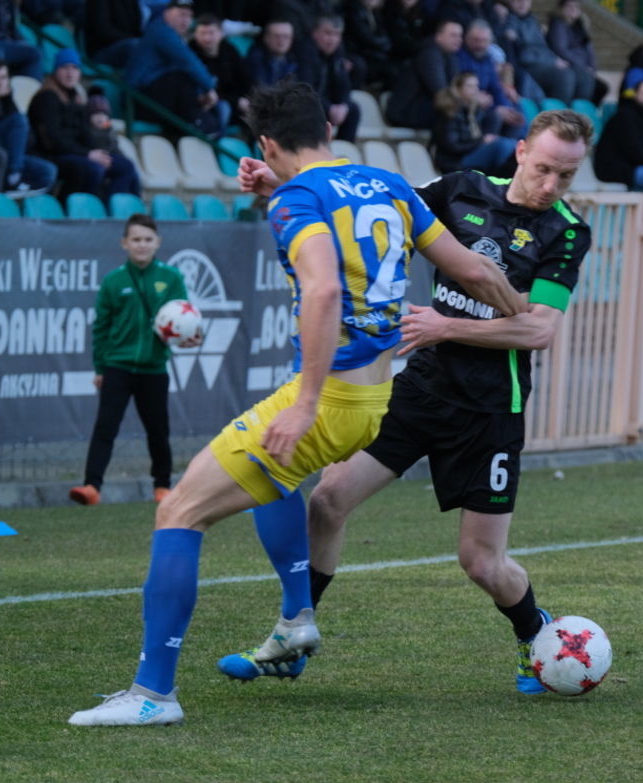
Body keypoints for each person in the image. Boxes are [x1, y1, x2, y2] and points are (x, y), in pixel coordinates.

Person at [67, 79, 525, 726]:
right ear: (330, 133)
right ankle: (296, 615)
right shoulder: (387, 183)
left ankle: (152, 694)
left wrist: (305, 402)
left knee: (180, 514)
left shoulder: (296, 200)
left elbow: (323, 291)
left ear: (267, 143)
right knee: (272, 476)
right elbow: (474, 270)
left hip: (331, 396)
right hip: (374, 396)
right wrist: (520, 314)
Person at [214, 109, 594, 697]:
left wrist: (447, 327)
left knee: (481, 564)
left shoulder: (566, 232)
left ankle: (534, 632)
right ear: (520, 151)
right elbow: (367, 206)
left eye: (565, 177)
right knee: (329, 500)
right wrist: (281, 183)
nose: (551, 186)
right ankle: (294, 635)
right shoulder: (460, 190)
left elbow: (538, 329)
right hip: (418, 389)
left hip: (490, 410)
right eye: (544, 169)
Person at [68, 215, 198, 508]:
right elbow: (101, 328)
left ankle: (162, 486)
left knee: (158, 429)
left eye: (148, 240)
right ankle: (91, 486)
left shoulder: (171, 278)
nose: (142, 245)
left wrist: (191, 336)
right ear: (124, 243)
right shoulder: (114, 281)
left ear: (158, 243)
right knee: (106, 427)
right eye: (136, 240)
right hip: (118, 366)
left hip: (154, 368)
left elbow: (185, 318)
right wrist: (100, 368)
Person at [28, 49, 142, 200]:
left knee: (125, 166)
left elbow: (84, 133)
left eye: (74, 68)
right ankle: (77, 210)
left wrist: (99, 152)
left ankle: (113, 210)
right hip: (51, 155)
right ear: (56, 71)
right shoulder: (46, 97)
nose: (70, 73)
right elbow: (53, 140)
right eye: (65, 68)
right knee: (93, 169)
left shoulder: (76, 98)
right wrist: (88, 154)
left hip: (77, 153)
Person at [125, 0, 222, 137]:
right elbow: (188, 62)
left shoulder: (173, 34)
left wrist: (202, 93)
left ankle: (199, 125)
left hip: (155, 98)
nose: (186, 21)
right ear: (167, 14)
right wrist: (209, 88)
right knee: (179, 78)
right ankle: (195, 124)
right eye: (182, 15)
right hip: (138, 101)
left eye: (189, 16)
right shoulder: (161, 31)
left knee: (215, 107)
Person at [0, 59, 57, 195]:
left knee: (48, 170)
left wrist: (7, 99)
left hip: (8, 156)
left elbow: (27, 139)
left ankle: (13, 181)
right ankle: (14, 177)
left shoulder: (5, 100)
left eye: (3, 78)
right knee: (18, 120)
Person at [432, 70, 516, 174]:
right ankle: (499, 183)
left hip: (469, 154)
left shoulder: (473, 110)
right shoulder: (450, 111)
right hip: (454, 162)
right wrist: (482, 141)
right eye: (469, 86)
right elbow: (452, 147)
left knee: (512, 143)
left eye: (476, 86)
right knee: (502, 145)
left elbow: (491, 122)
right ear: (458, 90)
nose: (475, 90)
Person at [386, 18, 463, 129]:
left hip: (421, 109)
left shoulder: (450, 55)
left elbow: (455, 85)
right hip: (406, 111)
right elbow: (440, 90)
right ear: (439, 35)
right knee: (453, 115)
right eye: (453, 35)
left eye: (460, 36)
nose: (458, 40)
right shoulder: (429, 54)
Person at [592, 77, 643, 190]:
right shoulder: (625, 116)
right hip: (617, 170)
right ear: (635, 94)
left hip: (636, 167)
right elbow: (635, 151)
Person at [297, 15, 361, 142]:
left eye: (337, 34)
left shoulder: (337, 53)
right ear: (314, 33)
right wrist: (329, 108)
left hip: (327, 106)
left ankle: (345, 152)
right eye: (328, 33)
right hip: (308, 105)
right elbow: (306, 88)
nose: (332, 39)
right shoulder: (303, 51)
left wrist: (343, 106)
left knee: (353, 109)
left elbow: (345, 85)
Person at [458, 18, 525, 136]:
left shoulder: (487, 59)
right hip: (470, 106)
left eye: (484, 41)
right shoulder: (458, 57)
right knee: (496, 116)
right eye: (476, 40)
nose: (480, 45)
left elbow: (496, 88)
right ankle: (491, 150)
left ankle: (517, 150)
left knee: (516, 113)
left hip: (488, 103)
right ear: (466, 38)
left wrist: (505, 107)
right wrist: (496, 109)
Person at [500, 0, 577, 103]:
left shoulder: (533, 21)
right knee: (564, 76)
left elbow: (542, 47)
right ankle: (557, 115)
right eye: (518, 0)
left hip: (542, 61)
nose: (522, 3)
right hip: (528, 66)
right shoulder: (508, 21)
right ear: (511, 2)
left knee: (579, 76)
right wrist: (552, 61)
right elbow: (525, 54)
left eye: (526, 1)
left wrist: (555, 59)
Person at [190, 12, 252, 133]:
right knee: (224, 108)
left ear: (221, 34)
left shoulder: (229, 50)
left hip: (233, 99)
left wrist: (246, 100)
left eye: (211, 33)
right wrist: (236, 101)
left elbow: (244, 79)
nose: (207, 38)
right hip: (206, 103)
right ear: (195, 35)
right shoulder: (191, 52)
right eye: (202, 33)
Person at [546, 0, 606, 105]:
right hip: (569, 66)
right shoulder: (558, 24)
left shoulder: (580, 26)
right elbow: (561, 50)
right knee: (585, 80)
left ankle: (586, 112)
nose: (573, 9)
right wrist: (583, 66)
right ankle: (577, 112)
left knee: (602, 87)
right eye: (569, 6)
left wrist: (592, 67)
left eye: (576, 7)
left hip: (581, 67)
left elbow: (589, 49)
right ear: (561, 9)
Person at [0, 0, 44, 80]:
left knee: (34, 53)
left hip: (3, 42)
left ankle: (30, 89)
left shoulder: (10, 4)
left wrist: (23, 43)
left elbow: (14, 30)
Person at [84, 0, 144, 67]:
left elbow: (138, 28)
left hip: (128, 43)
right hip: (102, 49)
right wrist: (136, 39)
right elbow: (104, 31)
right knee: (136, 46)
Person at [244, 19, 299, 90]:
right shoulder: (254, 60)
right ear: (266, 38)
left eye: (286, 36)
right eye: (277, 36)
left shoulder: (295, 61)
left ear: (291, 39)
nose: (281, 40)